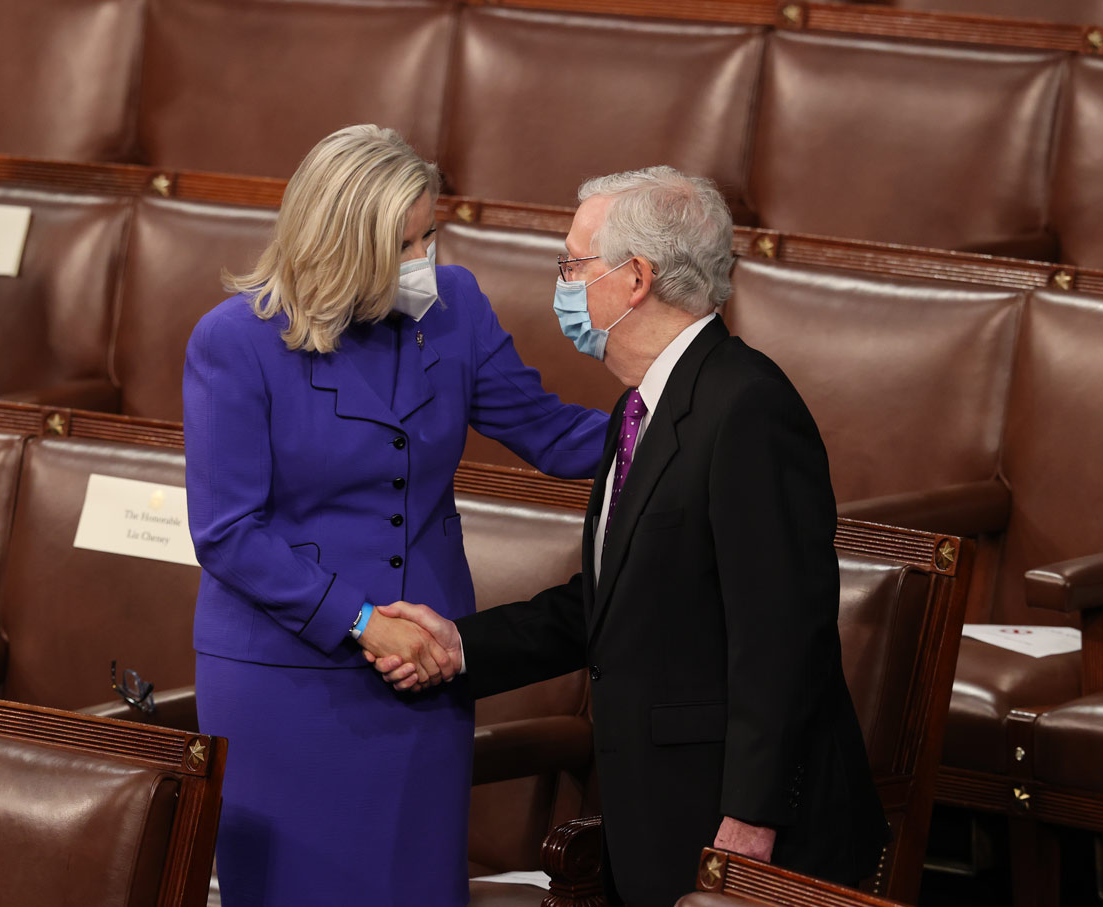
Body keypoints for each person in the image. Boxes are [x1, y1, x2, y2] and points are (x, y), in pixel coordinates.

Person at [373, 166, 890, 906]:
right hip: (658, 816)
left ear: (636, 277)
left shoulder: (747, 410)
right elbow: (613, 603)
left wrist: (751, 817)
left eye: (574, 265)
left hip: (738, 830)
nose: (565, 283)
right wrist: (461, 647)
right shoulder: (641, 409)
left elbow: (781, 639)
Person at [182, 124, 608, 906]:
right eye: (405, 244)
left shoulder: (458, 308)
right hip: (286, 678)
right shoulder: (233, 342)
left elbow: (547, 430)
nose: (426, 262)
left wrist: (672, 414)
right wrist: (361, 620)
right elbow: (227, 531)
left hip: (422, 665)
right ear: (341, 245)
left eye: (430, 234)